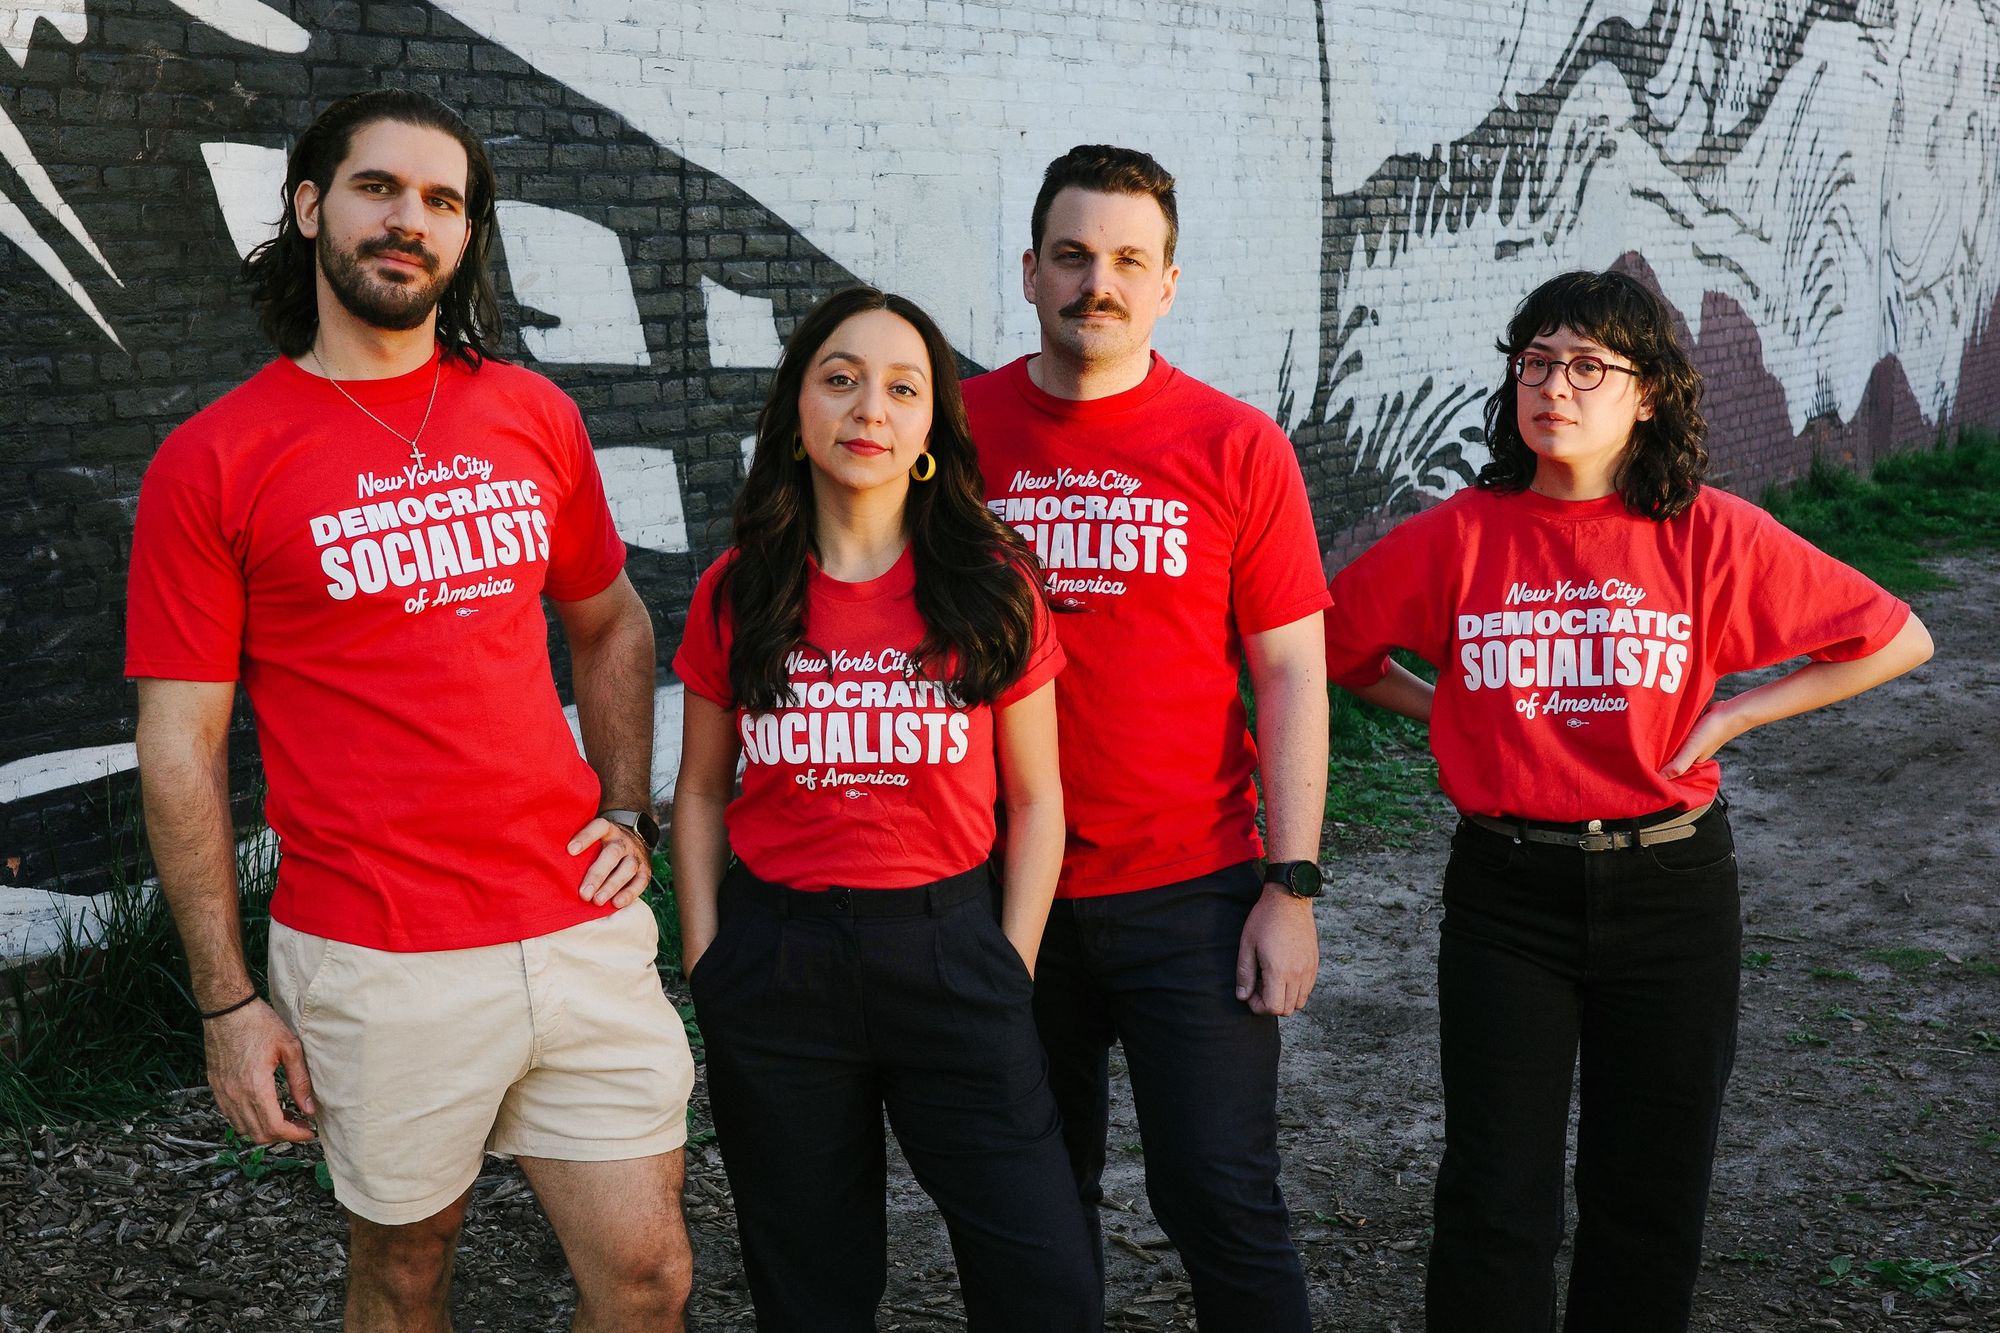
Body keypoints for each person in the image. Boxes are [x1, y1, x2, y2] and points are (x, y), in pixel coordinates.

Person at [125, 89, 696, 1333]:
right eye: (379, 187)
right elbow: (180, 741)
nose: (409, 220)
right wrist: (227, 1001)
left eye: (443, 201)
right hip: (375, 953)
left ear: (467, 238)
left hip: (576, 926)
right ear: (309, 206)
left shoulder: (533, 415)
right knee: (404, 1268)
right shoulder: (215, 461)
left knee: (649, 1277)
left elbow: (612, 625)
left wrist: (626, 808)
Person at [1322, 268, 1934, 1333]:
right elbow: (1337, 647)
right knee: (1492, 1198)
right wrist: (1451, 714)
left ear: (1646, 393)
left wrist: (1736, 715)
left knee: (1646, 1197)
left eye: (1586, 365)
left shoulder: (1706, 533)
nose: (1552, 386)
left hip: (1670, 890)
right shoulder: (1458, 535)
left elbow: (1896, 636)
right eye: (1534, 361)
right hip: (1506, 898)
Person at [670, 285, 1100, 1332]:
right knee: (809, 1290)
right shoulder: (738, 589)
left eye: (900, 387)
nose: (869, 406)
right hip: (778, 961)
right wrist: (706, 959)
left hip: (950, 950)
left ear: (926, 429)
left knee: (1045, 1283)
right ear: (798, 412)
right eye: (840, 378)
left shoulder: (991, 583)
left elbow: (1038, 797)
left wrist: (1010, 959)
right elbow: (696, 791)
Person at [962, 144, 1331, 1332]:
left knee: (1220, 1199)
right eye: (1071, 256)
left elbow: (1288, 674)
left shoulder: (1235, 445)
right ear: (1027, 272)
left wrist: (1291, 883)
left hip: (1193, 891)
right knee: (1026, 1209)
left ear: (1167, 284)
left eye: (1127, 260)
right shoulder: (950, 436)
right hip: (999, 888)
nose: (1096, 283)